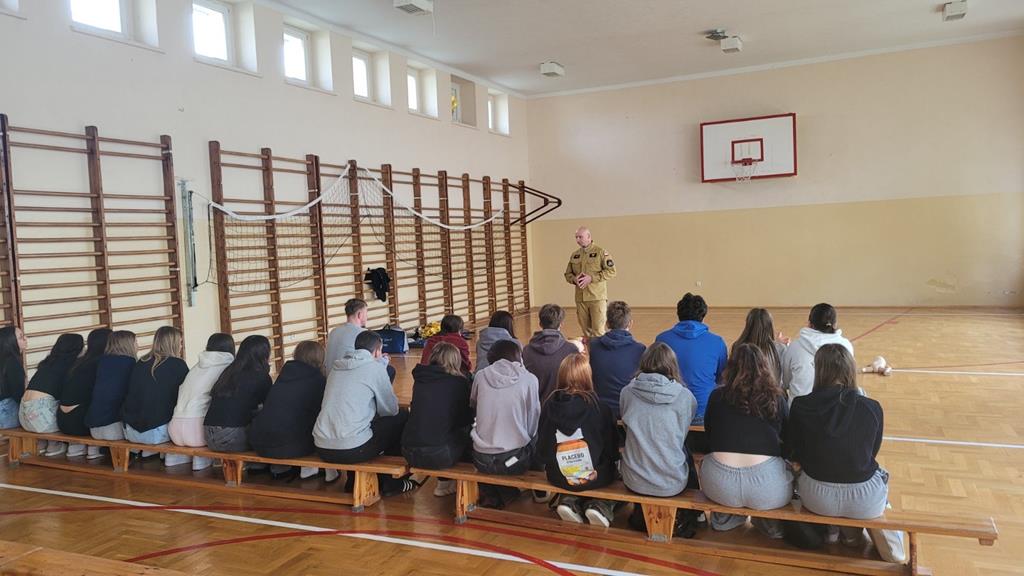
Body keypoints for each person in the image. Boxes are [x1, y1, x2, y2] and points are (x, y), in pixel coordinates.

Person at [787, 344, 906, 564]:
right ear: (850, 370)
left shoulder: (801, 405)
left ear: (819, 371)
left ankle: (834, 530)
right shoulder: (871, 407)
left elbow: (795, 451)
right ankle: (855, 538)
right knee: (874, 477)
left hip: (816, 497)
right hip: (864, 498)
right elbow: (871, 452)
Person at [701, 343, 791, 539]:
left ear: (730, 367)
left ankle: (726, 517)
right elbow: (787, 442)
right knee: (786, 471)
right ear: (765, 367)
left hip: (720, 484)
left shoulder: (717, 396)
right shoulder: (776, 398)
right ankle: (766, 521)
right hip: (766, 485)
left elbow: (709, 434)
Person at [314, 331, 418, 496]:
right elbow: (390, 410)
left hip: (321, 445)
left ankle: (353, 481)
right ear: (377, 351)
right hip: (352, 450)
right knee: (402, 417)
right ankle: (391, 482)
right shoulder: (374, 368)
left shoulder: (336, 367)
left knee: (354, 427)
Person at [620, 342, 699, 536]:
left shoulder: (627, 392)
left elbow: (627, 424)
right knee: (684, 450)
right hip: (671, 482)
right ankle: (692, 516)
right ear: (673, 366)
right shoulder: (685, 396)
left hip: (634, 479)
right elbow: (682, 431)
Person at [537, 353, 619, 527]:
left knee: (575, 476)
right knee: (615, 473)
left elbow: (543, 452)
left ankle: (569, 500)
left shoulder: (548, 406)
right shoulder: (601, 408)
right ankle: (601, 505)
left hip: (558, 476)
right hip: (594, 476)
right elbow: (612, 451)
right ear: (588, 376)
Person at [470, 340, 541, 509]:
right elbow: (534, 420)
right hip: (514, 461)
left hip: (481, 460)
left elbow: (473, 404)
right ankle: (538, 491)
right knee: (536, 437)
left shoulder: (480, 376)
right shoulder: (529, 379)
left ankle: (496, 493)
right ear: (518, 357)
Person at [249, 341, 330, 481]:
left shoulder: (284, 374)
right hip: (286, 446)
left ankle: (278, 469)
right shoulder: (318, 380)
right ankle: (310, 469)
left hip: (258, 441)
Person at [401, 342, 474, 497]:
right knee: (469, 431)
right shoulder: (458, 383)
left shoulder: (420, 379)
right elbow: (463, 419)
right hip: (440, 455)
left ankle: (444, 482)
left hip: (409, 452)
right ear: (455, 360)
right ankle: (452, 483)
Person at [654, 293, 727, 424]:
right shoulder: (717, 342)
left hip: (669, 411)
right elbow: (721, 378)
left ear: (679, 314)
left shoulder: (661, 339)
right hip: (703, 410)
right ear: (703, 315)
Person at [167, 333, 235, 470]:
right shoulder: (227, 367)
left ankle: (178, 456)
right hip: (198, 432)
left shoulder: (197, 366)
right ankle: (202, 459)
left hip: (174, 429)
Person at [121, 327, 188, 458]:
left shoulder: (141, 362)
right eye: (180, 342)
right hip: (156, 432)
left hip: (131, 431)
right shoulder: (178, 364)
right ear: (173, 343)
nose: (181, 346)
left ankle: (149, 451)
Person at [203, 335, 273, 454]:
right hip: (230, 438)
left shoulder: (229, 371)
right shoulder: (261, 376)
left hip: (208, 434)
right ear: (264, 354)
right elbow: (269, 408)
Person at [19, 333, 82, 456]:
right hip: (43, 420)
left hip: (24, 417)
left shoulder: (47, 363)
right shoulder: (70, 367)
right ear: (77, 349)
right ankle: (54, 445)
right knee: (71, 408)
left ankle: (43, 443)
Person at [781, 303, 854, 404]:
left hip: (800, 409)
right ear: (835, 324)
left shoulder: (795, 346)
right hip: (837, 409)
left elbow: (785, 382)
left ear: (810, 324)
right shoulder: (846, 346)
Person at [58, 328, 111, 458]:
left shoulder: (79, 362)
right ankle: (94, 448)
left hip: (62, 419)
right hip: (80, 423)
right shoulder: (102, 363)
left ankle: (78, 447)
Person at [588, 301, 645, 419]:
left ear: (607, 323)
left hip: (599, 412)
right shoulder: (640, 349)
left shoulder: (593, 345)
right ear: (630, 323)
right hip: (628, 412)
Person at [85, 331, 137, 446]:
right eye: (135, 342)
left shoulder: (102, 362)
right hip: (114, 427)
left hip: (93, 426)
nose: (137, 345)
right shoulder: (130, 363)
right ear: (128, 344)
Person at [324, 298, 396, 382]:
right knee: (390, 370)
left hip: (330, 379)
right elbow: (374, 365)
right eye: (366, 313)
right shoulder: (365, 334)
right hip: (350, 379)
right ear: (359, 315)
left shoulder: (333, 331)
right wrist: (384, 359)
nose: (367, 317)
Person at [563, 226, 617, 339]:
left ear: (589, 237)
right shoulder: (575, 255)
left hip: (597, 298)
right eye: (576, 237)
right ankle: (590, 351)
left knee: (598, 331)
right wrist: (574, 279)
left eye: (580, 237)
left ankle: (600, 351)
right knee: (586, 333)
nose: (577, 240)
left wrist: (591, 278)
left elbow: (611, 271)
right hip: (581, 299)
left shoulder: (601, 252)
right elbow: (568, 274)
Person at [523, 304, 583, 402]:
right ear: (561, 324)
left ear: (540, 323)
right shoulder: (571, 350)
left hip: (536, 407)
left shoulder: (526, 351)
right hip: (563, 406)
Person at [732, 308, 788, 381]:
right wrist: (782, 345)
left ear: (748, 326)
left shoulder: (738, 347)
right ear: (770, 326)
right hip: (773, 388)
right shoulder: (779, 349)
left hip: (744, 388)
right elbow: (785, 378)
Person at [0, 326, 26, 430]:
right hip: (5, 413)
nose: (25, 338)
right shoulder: (13, 363)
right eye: (20, 337)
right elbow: (18, 394)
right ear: (10, 342)